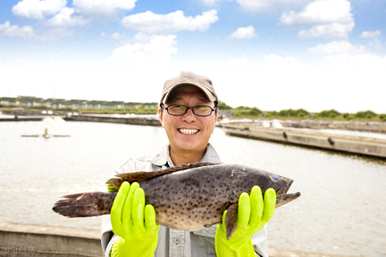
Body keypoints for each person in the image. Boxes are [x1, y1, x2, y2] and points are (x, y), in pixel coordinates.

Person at [100, 72, 276, 257]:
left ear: (216, 116)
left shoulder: (243, 182)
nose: (189, 117)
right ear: (160, 114)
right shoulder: (131, 172)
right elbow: (112, 250)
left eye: (201, 107)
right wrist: (131, 248)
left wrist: (237, 249)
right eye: (177, 107)